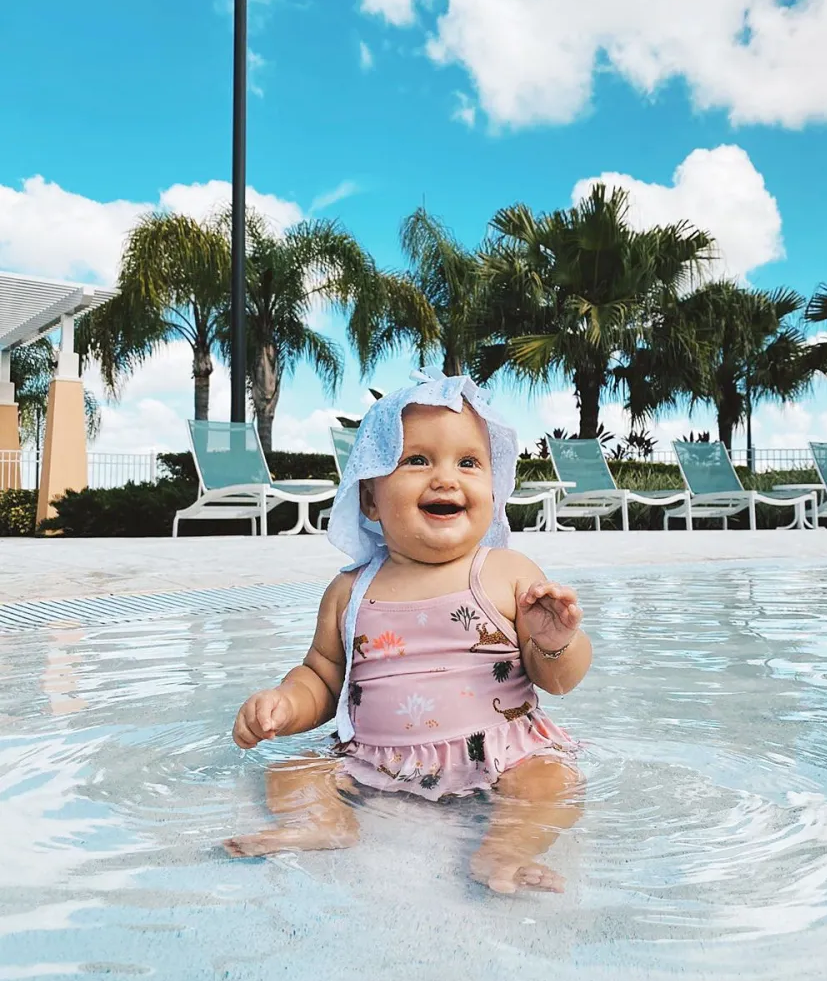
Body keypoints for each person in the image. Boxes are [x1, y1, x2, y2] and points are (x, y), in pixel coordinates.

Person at [225, 371, 592, 894]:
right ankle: (322, 823)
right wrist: (284, 704)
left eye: (468, 463)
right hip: (376, 759)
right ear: (370, 497)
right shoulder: (349, 590)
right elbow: (322, 678)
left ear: (493, 488)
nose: (445, 479)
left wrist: (555, 644)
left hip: (503, 753)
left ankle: (506, 849)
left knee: (551, 782)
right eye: (417, 460)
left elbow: (557, 681)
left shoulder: (507, 572)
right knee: (289, 771)